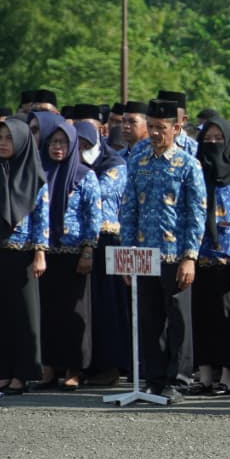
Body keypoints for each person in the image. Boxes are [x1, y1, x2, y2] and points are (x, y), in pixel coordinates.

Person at [118, 99, 207, 402]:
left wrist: (190, 257)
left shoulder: (187, 164)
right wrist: (127, 256)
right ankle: (153, 378)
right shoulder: (138, 161)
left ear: (177, 128)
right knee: (149, 320)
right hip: (144, 255)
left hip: (175, 254)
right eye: (152, 127)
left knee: (179, 321)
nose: (155, 133)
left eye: (162, 128)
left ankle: (178, 380)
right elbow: (128, 210)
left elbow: (197, 214)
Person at [0, 119, 49, 394]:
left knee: (24, 315)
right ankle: (2, 371)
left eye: (9, 138)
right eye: (0, 137)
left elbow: (41, 218)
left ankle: (24, 373)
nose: (3, 143)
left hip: (23, 252)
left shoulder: (35, 176)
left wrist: (40, 252)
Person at [186, 118, 230, 396]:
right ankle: (204, 375)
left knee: (228, 319)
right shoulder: (194, 169)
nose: (213, 143)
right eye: (208, 137)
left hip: (229, 259)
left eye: (219, 138)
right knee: (201, 317)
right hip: (197, 257)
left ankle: (228, 376)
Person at [36, 119, 101, 390]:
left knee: (75, 312)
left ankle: (74, 369)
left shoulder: (85, 175)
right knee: (47, 311)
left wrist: (88, 249)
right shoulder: (40, 172)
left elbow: (93, 214)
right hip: (46, 252)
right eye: (53, 142)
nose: (57, 147)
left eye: (63, 142)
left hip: (74, 253)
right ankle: (49, 367)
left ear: (73, 144)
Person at [74, 121, 130, 386]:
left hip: (108, 241)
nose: (82, 150)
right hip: (80, 242)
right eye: (78, 146)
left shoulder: (114, 164)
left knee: (107, 306)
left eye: (86, 145)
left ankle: (110, 365)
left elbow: (100, 193)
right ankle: (86, 364)